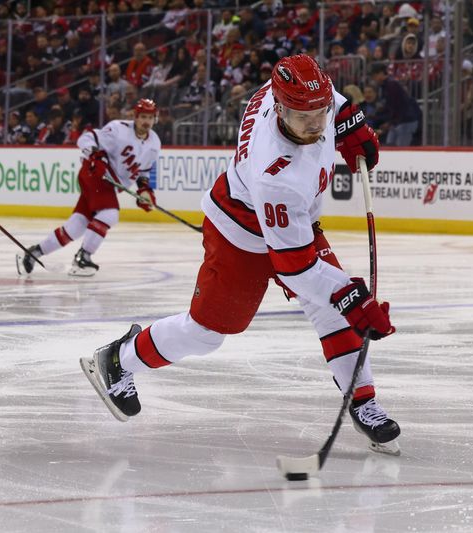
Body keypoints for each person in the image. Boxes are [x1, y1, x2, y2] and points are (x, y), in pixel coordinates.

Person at [80, 54, 401, 456]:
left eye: (320, 113)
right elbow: (297, 269)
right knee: (207, 334)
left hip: (295, 227)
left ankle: (363, 400)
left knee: (330, 311)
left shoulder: (292, 91)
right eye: (305, 117)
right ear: (280, 109)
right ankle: (119, 359)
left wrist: (350, 118)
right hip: (241, 233)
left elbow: (327, 98)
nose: (317, 125)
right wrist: (352, 297)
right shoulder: (276, 172)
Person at [17, 99, 161, 277]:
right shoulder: (118, 129)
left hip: (108, 183)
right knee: (110, 214)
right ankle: (83, 258)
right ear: (136, 117)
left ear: (155, 119)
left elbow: (143, 173)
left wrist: (145, 192)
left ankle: (34, 253)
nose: (146, 121)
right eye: (143, 117)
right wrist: (95, 155)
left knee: (76, 226)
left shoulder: (155, 143)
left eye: (150, 117)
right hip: (95, 174)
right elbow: (86, 139)